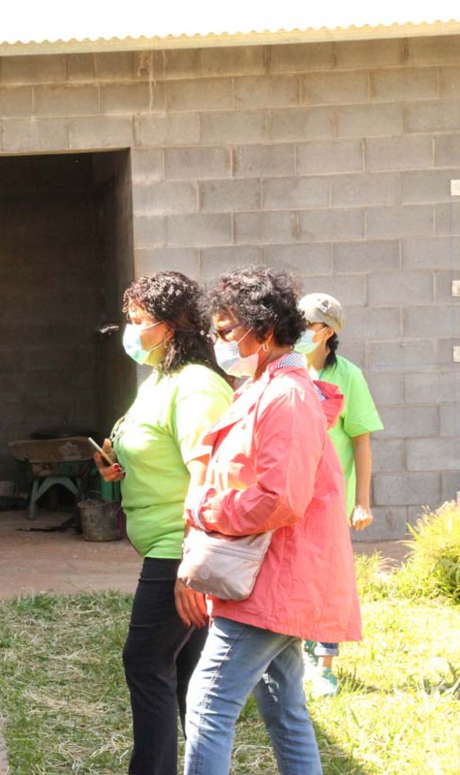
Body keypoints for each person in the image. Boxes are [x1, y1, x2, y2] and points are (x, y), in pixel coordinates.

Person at [182, 266, 362, 775]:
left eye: (225, 331)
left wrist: (204, 509)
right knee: (284, 710)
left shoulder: (284, 396)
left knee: (208, 705)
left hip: (271, 583)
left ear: (262, 333)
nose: (218, 343)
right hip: (275, 579)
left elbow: (279, 500)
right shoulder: (266, 385)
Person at [94, 271, 234, 775]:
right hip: (167, 545)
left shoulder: (197, 385)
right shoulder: (162, 378)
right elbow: (155, 445)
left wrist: (192, 563)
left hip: (179, 549)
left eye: (137, 322)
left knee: (146, 664)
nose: (130, 333)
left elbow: (208, 474)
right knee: (183, 673)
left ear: (171, 326)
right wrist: (117, 462)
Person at [296, 292, 383, 698]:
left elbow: (362, 441)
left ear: (326, 331)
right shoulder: (285, 370)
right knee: (293, 576)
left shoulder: (347, 375)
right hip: (290, 496)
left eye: (306, 324)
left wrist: (361, 501)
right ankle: (296, 653)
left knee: (328, 580)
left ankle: (324, 666)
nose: (298, 331)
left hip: (330, 499)